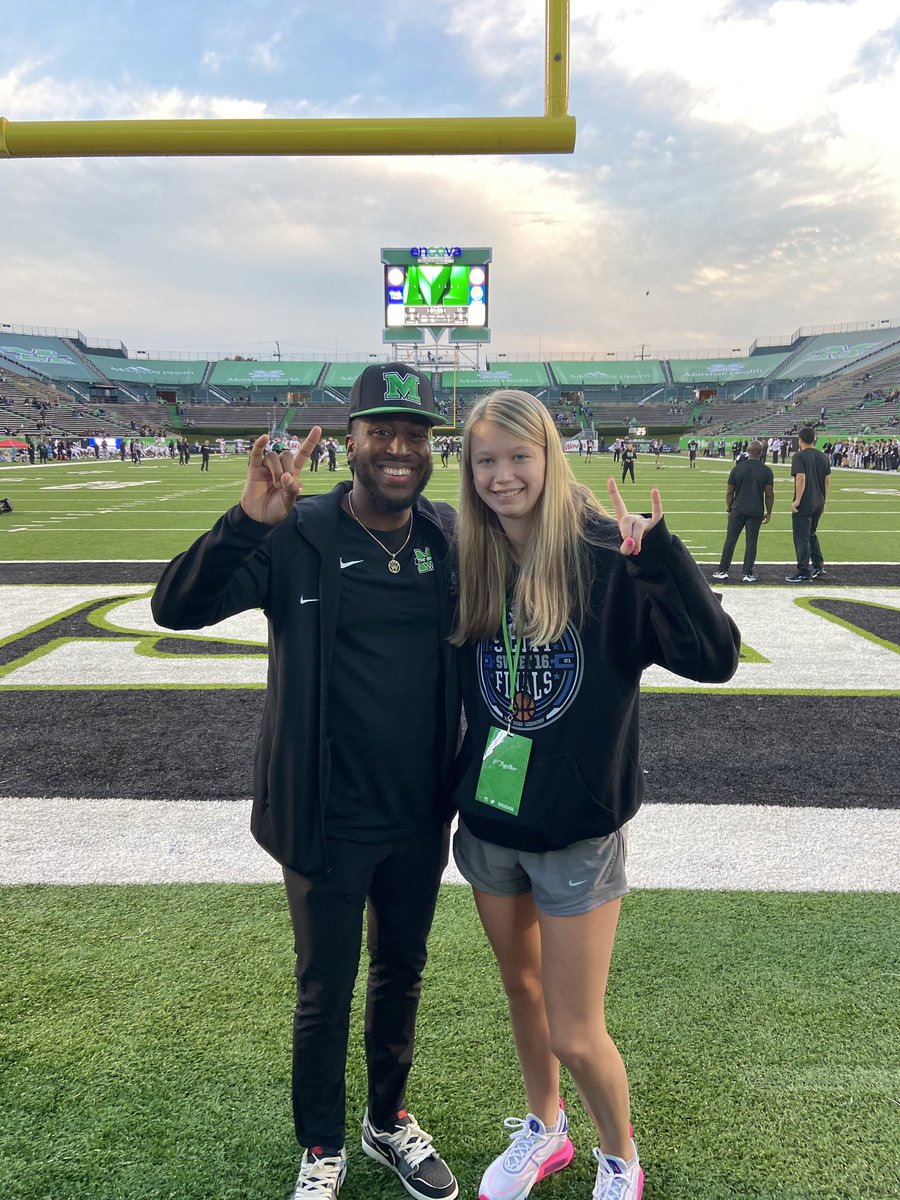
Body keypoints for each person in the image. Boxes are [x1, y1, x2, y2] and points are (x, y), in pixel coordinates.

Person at [151, 363, 460, 1200]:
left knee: (403, 971)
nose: (398, 448)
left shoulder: (443, 537)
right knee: (325, 986)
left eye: (414, 434)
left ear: (430, 447)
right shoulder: (299, 531)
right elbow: (174, 608)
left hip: (418, 814)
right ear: (351, 441)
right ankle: (321, 1142)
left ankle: (386, 1122)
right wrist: (246, 524)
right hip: (323, 811)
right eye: (381, 432)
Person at [449, 391, 740, 1200]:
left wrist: (662, 560)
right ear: (469, 473)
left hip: (577, 831)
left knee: (577, 1030)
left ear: (548, 456)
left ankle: (620, 1156)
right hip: (490, 826)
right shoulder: (469, 559)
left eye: (518, 457)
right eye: (485, 461)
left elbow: (716, 659)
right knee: (521, 990)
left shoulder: (609, 554)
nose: (502, 476)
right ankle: (546, 1130)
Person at [712, 440, 774, 583]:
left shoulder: (737, 469)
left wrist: (729, 507)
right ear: (761, 452)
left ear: (747, 450)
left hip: (738, 509)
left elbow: (729, 492)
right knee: (751, 542)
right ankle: (748, 573)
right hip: (756, 510)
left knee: (730, 540)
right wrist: (769, 512)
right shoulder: (766, 470)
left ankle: (723, 570)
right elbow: (769, 494)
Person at [786, 426, 831, 583]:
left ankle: (804, 571)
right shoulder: (823, 456)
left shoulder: (799, 456)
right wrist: (824, 500)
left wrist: (797, 499)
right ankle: (819, 567)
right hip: (818, 501)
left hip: (805, 502)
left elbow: (801, 478)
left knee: (801, 537)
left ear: (800, 440)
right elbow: (827, 481)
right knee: (811, 534)